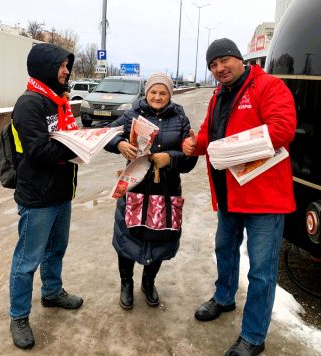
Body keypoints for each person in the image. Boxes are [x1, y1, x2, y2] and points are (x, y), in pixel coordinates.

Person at [182, 38, 296, 356]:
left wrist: (232, 148)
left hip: (264, 199)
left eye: (223, 61)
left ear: (239, 59)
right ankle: (224, 298)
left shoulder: (269, 86)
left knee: (261, 269)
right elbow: (208, 133)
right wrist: (196, 143)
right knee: (225, 250)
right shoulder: (218, 95)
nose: (219, 69)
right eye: (213, 65)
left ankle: (253, 336)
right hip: (228, 194)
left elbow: (283, 129)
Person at [9, 43, 83, 350]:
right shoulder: (29, 104)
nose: (66, 71)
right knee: (27, 261)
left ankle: (52, 293)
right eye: (61, 66)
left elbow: (63, 139)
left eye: (67, 66)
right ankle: (19, 316)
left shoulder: (59, 102)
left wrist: (82, 140)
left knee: (56, 250)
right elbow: (39, 151)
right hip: (37, 198)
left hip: (61, 193)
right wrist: (77, 144)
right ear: (44, 66)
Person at [105, 72, 198, 310]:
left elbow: (189, 160)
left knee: (160, 238)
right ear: (146, 93)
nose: (158, 96)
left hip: (166, 191)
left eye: (163, 92)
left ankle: (149, 281)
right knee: (128, 236)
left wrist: (170, 158)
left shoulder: (180, 119)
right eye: (153, 92)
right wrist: (119, 143)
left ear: (170, 94)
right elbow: (104, 134)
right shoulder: (131, 114)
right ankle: (126, 283)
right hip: (135, 188)